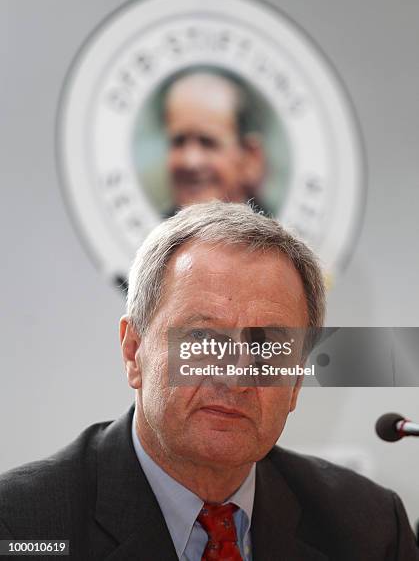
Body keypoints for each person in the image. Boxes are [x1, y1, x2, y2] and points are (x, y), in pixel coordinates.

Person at [0, 201, 418, 560]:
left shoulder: (370, 528)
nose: (235, 377)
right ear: (133, 351)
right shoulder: (21, 524)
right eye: (202, 338)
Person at [161, 68, 267, 214]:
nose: (190, 161)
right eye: (179, 141)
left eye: (207, 142)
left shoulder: (279, 235)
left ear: (250, 158)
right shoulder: (148, 235)